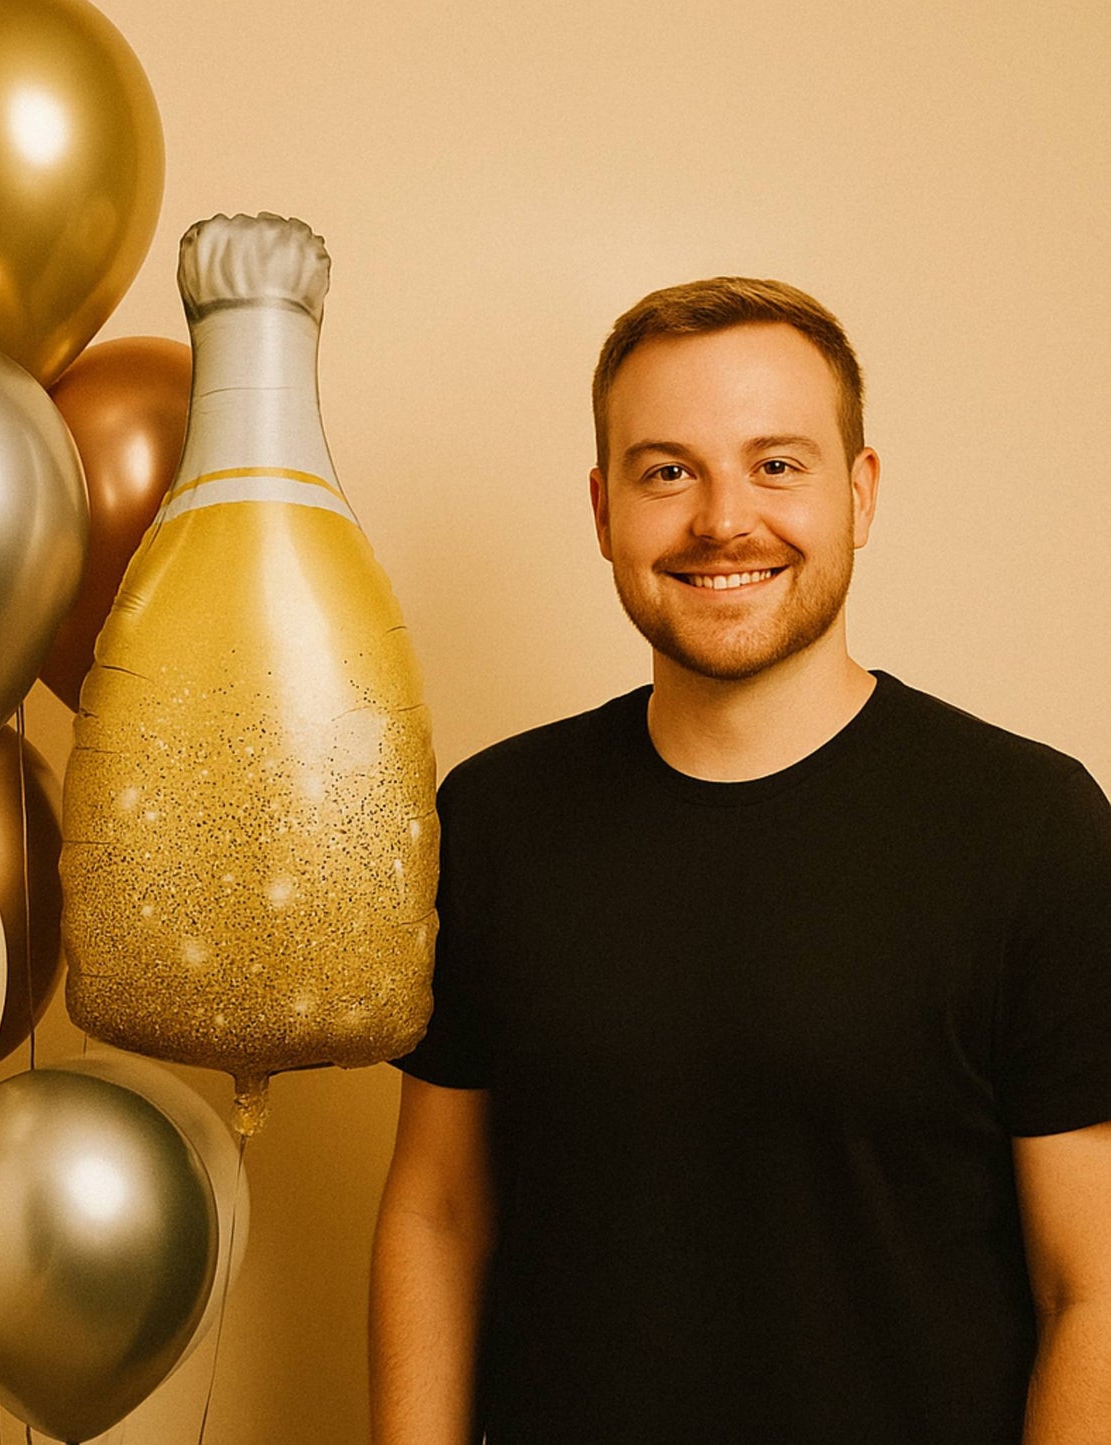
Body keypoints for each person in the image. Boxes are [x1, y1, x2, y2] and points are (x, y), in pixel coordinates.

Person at [369, 277, 1111, 1444]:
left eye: (775, 464)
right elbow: (440, 1212)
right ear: (602, 509)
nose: (723, 520)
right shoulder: (494, 814)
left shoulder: (1029, 825)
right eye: (668, 471)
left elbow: (1092, 1288)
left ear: (858, 493)